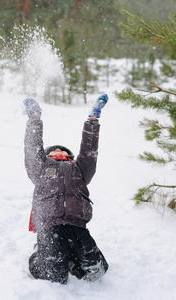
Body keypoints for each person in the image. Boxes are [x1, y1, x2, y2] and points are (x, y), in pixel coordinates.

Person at [23, 95, 109, 284]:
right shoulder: (40, 169)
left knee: (96, 271)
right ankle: (40, 253)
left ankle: (72, 258)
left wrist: (92, 121)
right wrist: (35, 118)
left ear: (70, 157)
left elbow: (89, 152)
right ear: (47, 156)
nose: (59, 152)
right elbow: (33, 147)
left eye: (63, 151)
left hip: (77, 226)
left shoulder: (80, 169)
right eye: (54, 151)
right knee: (53, 277)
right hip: (49, 227)